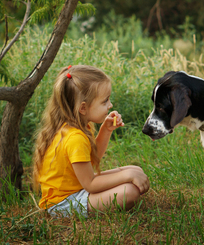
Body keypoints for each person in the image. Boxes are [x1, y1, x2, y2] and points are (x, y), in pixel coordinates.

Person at [32, 65, 149, 217]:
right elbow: (91, 184)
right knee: (130, 191)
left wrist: (105, 130)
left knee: (135, 170)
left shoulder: (80, 127)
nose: (110, 105)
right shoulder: (75, 138)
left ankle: (129, 175)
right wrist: (127, 177)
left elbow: (94, 158)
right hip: (63, 203)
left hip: (78, 187)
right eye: (105, 101)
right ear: (83, 108)